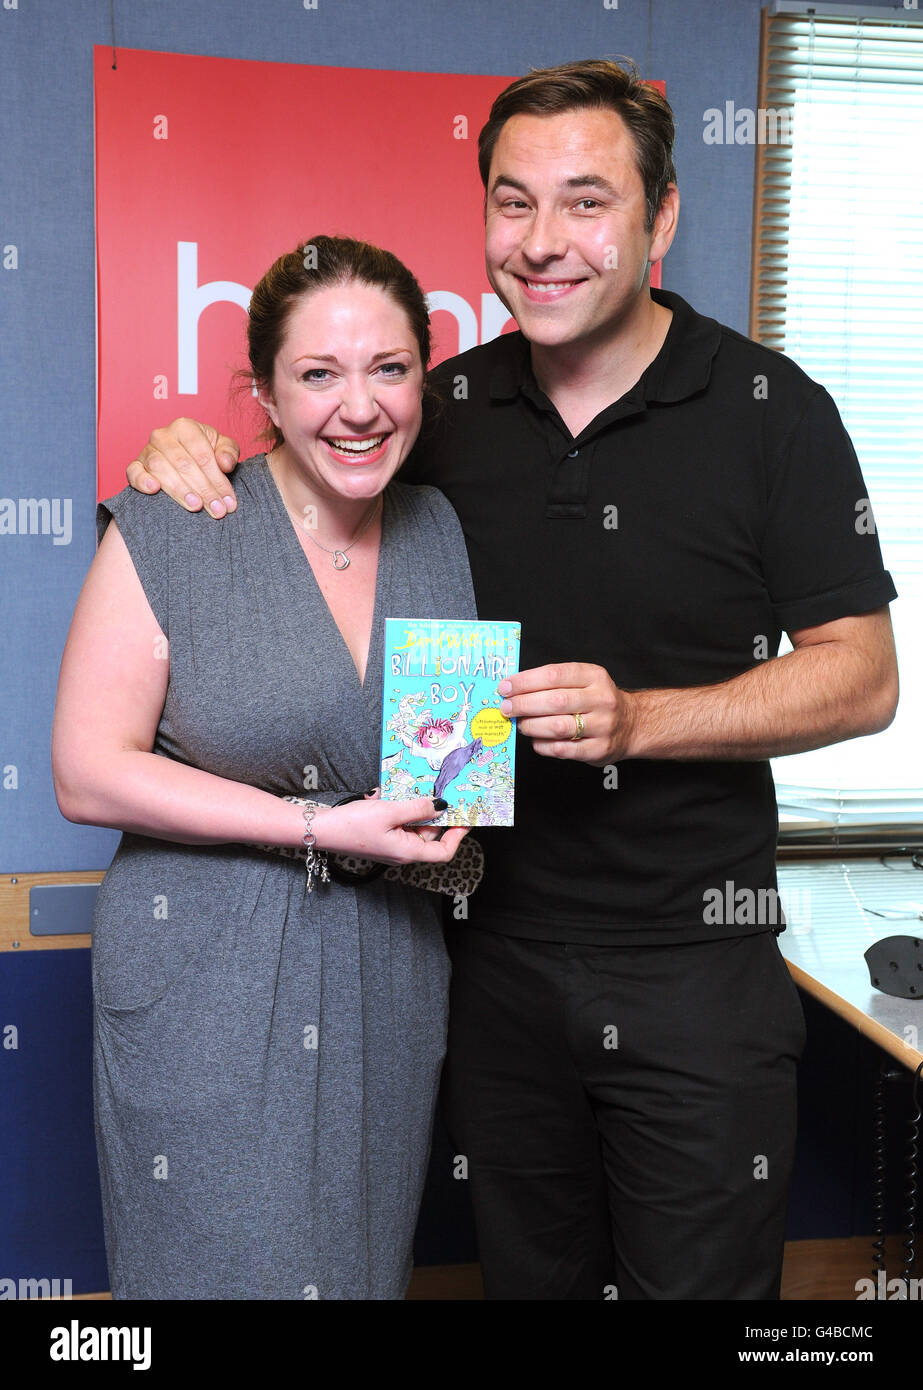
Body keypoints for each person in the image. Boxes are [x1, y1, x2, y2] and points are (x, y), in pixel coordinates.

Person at [123, 60, 899, 1300]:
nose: (542, 243)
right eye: (511, 202)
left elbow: (862, 680)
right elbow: (311, 449)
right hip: (481, 966)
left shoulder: (771, 413)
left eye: (585, 202)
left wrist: (640, 719)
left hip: (692, 969)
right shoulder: (446, 409)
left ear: (662, 216)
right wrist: (193, 443)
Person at [52, 235, 478, 1300]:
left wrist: (455, 821)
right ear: (265, 392)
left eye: (388, 368)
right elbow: (83, 772)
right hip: (207, 978)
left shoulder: (437, 528)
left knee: (356, 1270)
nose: (360, 405)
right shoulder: (174, 521)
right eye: (318, 374)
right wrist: (317, 827)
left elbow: (448, 766)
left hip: (389, 971)